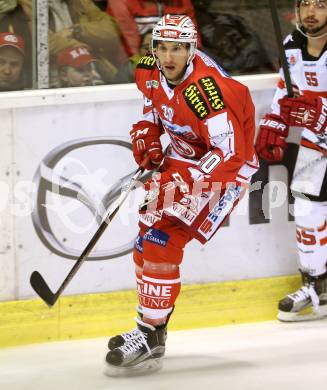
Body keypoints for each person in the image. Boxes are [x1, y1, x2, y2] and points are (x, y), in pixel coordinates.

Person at [104, 14, 259, 376]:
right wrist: (146, 131)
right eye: (162, 47)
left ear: (192, 49)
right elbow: (153, 104)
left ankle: (150, 335)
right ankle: (149, 328)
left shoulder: (206, 92)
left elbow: (230, 152)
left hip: (224, 169)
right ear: (153, 49)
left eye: (178, 48)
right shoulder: (148, 68)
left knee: (162, 237)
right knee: (146, 236)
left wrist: (189, 182)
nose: (169, 56)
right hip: (186, 156)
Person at [255, 0, 327, 322]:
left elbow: (314, 108)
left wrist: (320, 113)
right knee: (308, 211)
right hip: (316, 146)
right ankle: (316, 286)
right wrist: (274, 123)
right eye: (305, 4)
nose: (311, 12)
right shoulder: (291, 45)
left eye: (321, 5)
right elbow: (286, 93)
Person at [107, 0, 198, 57]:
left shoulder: (183, 2)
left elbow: (194, 42)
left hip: (179, 62)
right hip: (138, 67)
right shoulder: (120, 2)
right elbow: (131, 51)